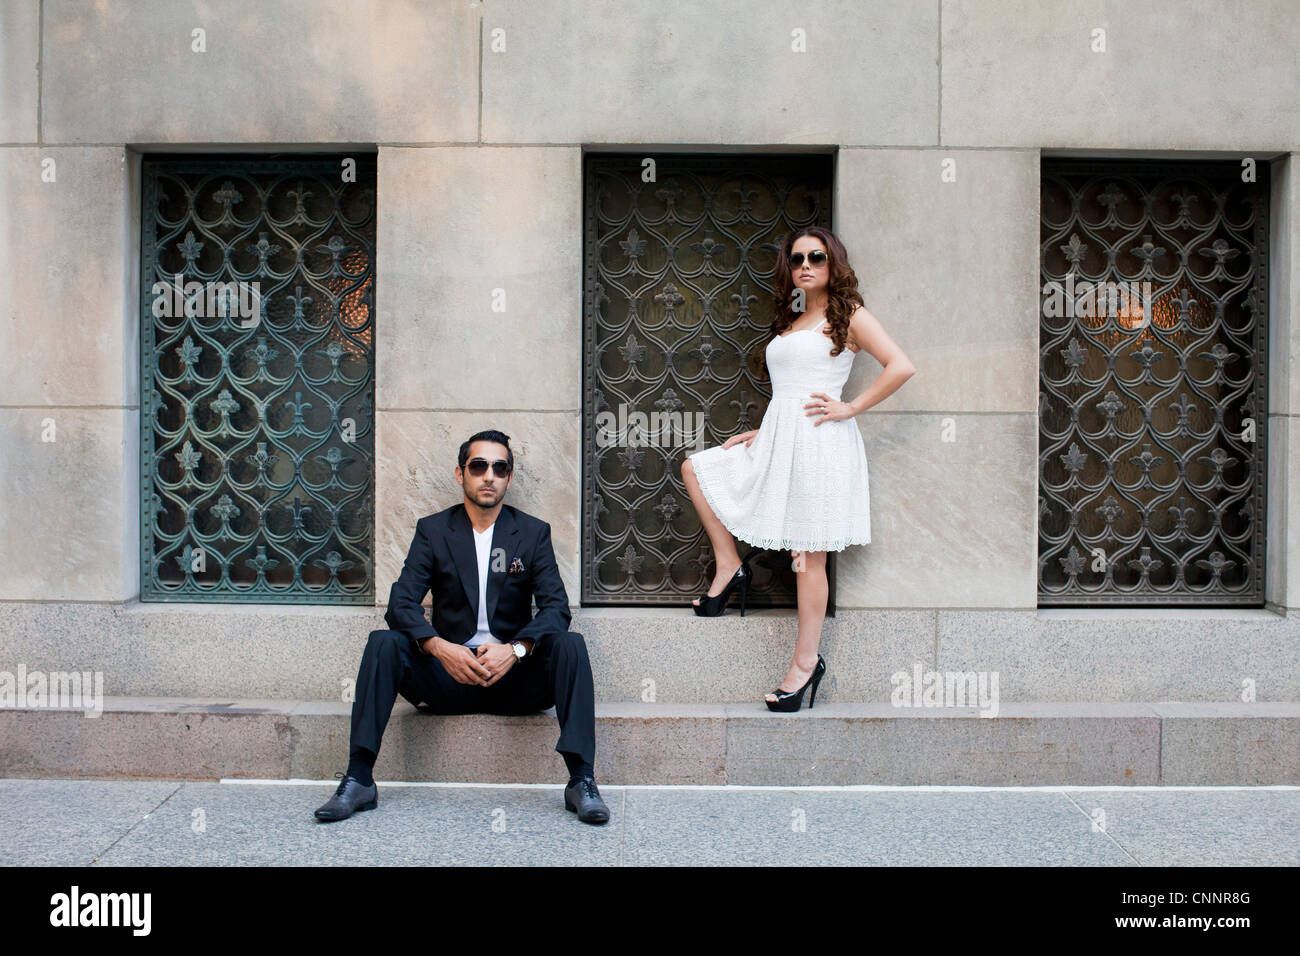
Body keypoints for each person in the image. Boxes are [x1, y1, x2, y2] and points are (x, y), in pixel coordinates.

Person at [314, 429, 609, 824]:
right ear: (461, 474)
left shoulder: (532, 533)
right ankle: (359, 778)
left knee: (570, 644)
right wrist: (438, 647)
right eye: (479, 466)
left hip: (513, 679)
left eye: (499, 468)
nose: (489, 475)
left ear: (509, 478)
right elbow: (401, 603)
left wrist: (516, 649)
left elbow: (556, 609)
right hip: (448, 678)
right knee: (384, 643)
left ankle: (581, 780)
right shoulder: (434, 531)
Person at [681, 227, 915, 711]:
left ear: (834, 264)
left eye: (817, 257)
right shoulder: (791, 320)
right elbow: (787, 392)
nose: (806, 264)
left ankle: (805, 665)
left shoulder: (848, 315)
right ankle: (729, 565)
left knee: (809, 556)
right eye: (797, 258)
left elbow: (900, 365)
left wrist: (850, 408)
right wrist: (763, 433)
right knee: (696, 468)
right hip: (780, 439)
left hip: (822, 446)